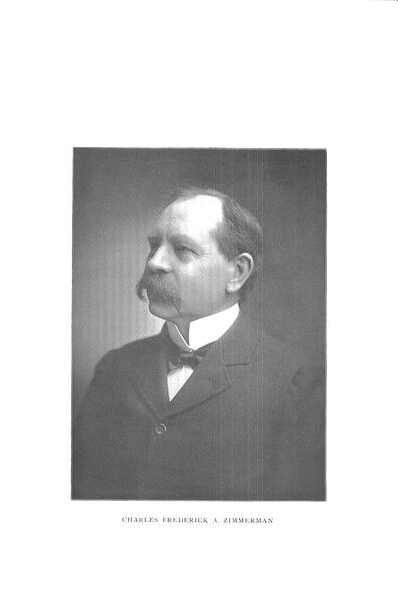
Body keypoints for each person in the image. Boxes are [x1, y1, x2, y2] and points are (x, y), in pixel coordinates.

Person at [72, 188, 325, 500]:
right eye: (154, 246)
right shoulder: (115, 368)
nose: (155, 262)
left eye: (182, 249)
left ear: (237, 273)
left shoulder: (297, 383)